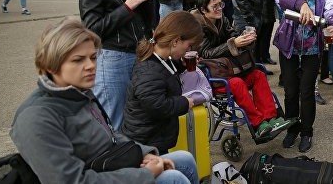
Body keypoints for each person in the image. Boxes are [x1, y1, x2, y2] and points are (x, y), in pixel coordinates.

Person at [11, 17, 197, 184]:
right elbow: (70, 180)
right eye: (78, 60)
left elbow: (111, 135)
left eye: (93, 58)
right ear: (50, 65)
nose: (91, 66)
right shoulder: (36, 117)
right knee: (173, 178)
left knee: (184, 158)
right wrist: (145, 175)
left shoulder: (80, 94)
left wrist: (145, 153)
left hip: (108, 164)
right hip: (95, 173)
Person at [78, 0, 156, 128]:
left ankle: (133, 157)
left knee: (135, 117)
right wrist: (127, 6)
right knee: (113, 120)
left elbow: (149, 22)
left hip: (138, 53)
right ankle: (110, 158)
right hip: (111, 58)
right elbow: (92, 30)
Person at [193, 0, 293, 138]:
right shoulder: (197, 26)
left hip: (230, 69)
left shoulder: (222, 19)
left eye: (221, 4)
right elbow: (205, 53)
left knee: (258, 74)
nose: (220, 8)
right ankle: (258, 124)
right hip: (215, 77)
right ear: (202, 9)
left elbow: (232, 35)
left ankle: (270, 118)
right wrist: (232, 43)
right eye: (215, 6)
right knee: (238, 83)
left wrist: (244, 38)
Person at [273, 0, 333, 153]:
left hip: (312, 49)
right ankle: (292, 129)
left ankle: (306, 132)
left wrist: (332, 24)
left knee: (307, 92)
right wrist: (301, 3)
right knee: (291, 91)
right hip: (289, 48)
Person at [121, 11, 203, 155]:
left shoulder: (162, 58)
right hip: (145, 145)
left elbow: (165, 76)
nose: (189, 50)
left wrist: (182, 65)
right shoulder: (149, 70)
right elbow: (156, 104)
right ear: (176, 41)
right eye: (189, 45)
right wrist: (184, 103)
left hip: (153, 136)